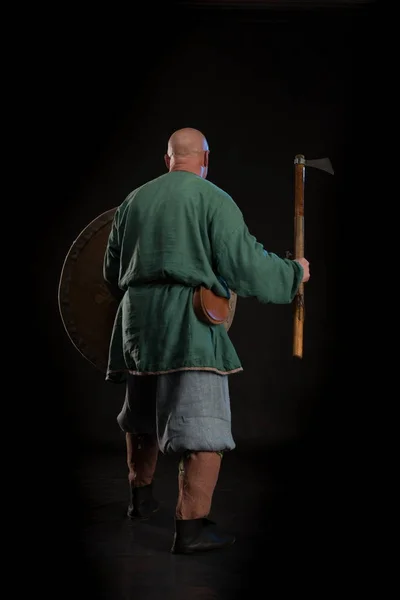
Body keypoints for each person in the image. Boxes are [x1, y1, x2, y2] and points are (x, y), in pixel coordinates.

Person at [103, 127, 310, 555]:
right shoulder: (213, 199)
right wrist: (293, 275)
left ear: (168, 160)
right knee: (203, 425)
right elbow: (246, 264)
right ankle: (191, 528)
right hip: (188, 322)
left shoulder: (132, 201)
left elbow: (110, 272)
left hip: (135, 325)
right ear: (205, 161)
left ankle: (139, 502)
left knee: (140, 415)